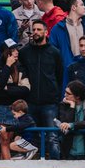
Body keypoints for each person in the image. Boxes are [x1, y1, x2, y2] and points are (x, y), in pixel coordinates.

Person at [20, 20, 63, 159]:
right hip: (30, 102)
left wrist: (57, 96)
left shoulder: (54, 52)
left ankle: (56, 165)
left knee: (52, 137)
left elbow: (60, 75)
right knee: (29, 138)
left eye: (39, 29)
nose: (36, 32)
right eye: (34, 30)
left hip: (50, 102)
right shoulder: (25, 52)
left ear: (46, 32)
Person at [0, 43, 30, 126]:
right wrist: (8, 65)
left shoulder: (20, 66)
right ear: (6, 52)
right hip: (0, 105)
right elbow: (0, 84)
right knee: (3, 135)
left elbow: (26, 89)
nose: (17, 52)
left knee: (12, 135)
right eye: (13, 50)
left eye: (17, 50)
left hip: (16, 107)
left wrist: (7, 88)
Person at [49, 0, 85, 71]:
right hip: (66, 72)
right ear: (73, 7)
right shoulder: (57, 29)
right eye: (82, 5)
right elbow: (52, 53)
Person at [56, 82, 85, 160]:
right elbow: (65, 123)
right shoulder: (63, 104)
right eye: (65, 92)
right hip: (69, 150)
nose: (65, 95)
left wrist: (72, 125)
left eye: (68, 93)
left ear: (77, 96)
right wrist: (72, 106)